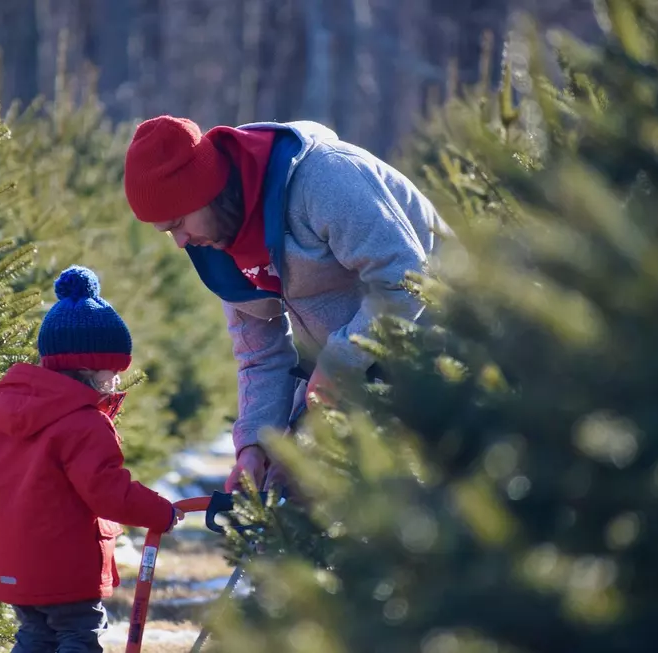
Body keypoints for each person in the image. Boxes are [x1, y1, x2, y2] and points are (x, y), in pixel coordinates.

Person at [123, 116, 449, 493]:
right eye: (168, 232)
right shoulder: (215, 242)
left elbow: (406, 279)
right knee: (292, 491)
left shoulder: (324, 178)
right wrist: (255, 447)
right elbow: (261, 354)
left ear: (209, 191)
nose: (180, 242)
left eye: (179, 222)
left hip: (440, 351)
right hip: (357, 364)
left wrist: (338, 363)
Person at [0, 265, 183, 653]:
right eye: (114, 369)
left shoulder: (12, 411)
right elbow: (108, 491)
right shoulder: (84, 421)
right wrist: (161, 512)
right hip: (66, 564)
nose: (117, 380)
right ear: (91, 368)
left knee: (35, 636)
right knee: (78, 635)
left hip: (17, 560)